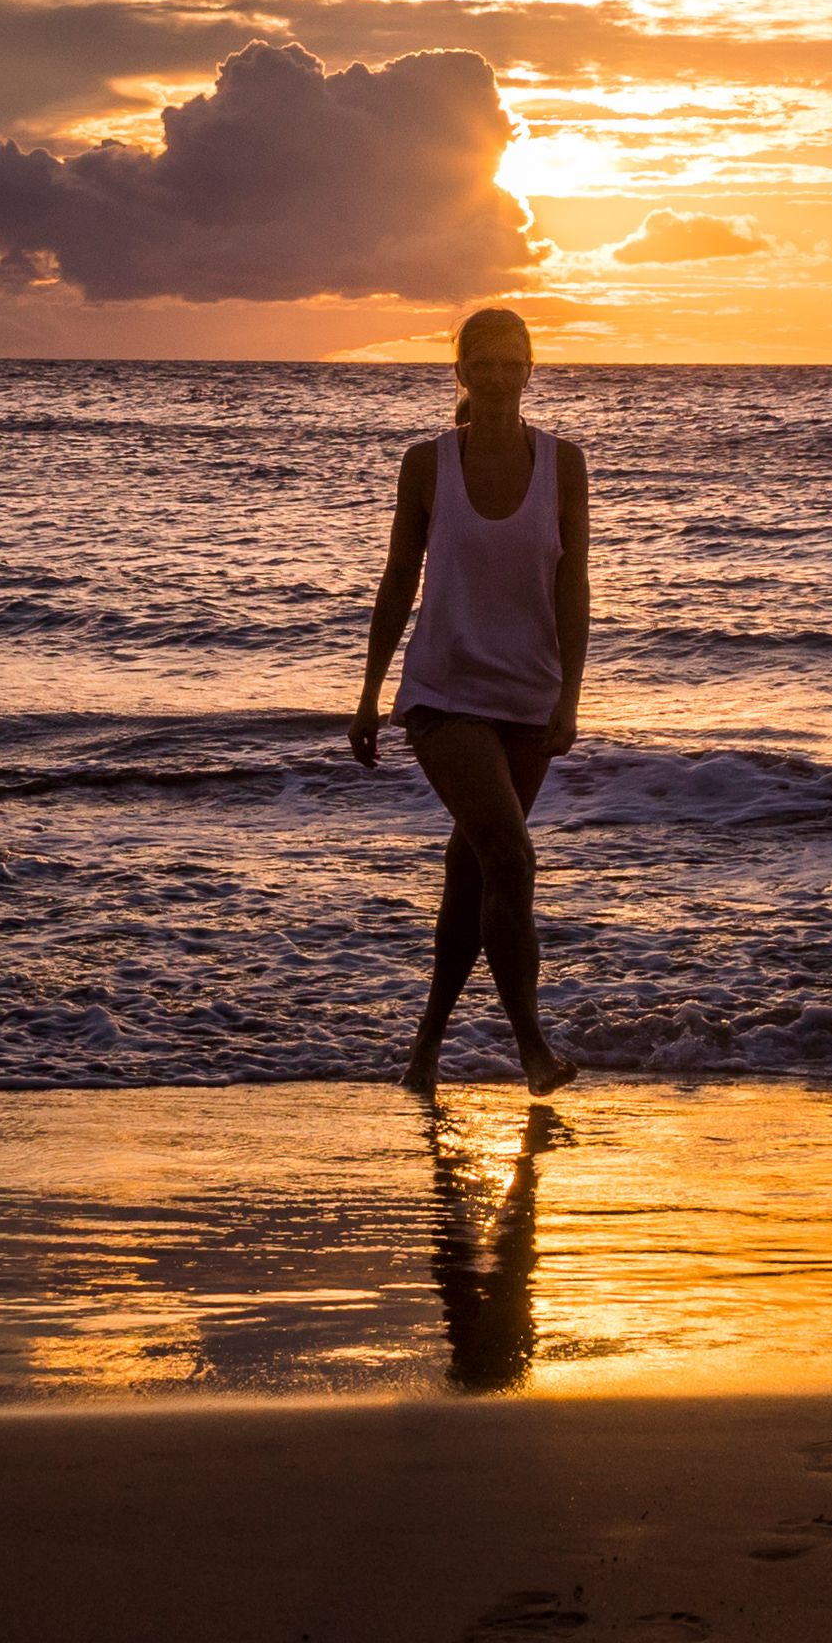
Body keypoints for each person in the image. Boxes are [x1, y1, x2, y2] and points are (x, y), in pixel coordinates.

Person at [349, 302, 590, 1094]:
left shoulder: (565, 465)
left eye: (508, 363)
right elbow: (397, 581)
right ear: (460, 371)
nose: (494, 378)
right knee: (512, 857)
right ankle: (533, 1050)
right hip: (443, 692)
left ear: (530, 369)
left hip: (529, 694)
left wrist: (570, 699)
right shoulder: (427, 464)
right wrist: (370, 693)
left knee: (475, 871)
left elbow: (573, 586)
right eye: (478, 364)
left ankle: (424, 1052)